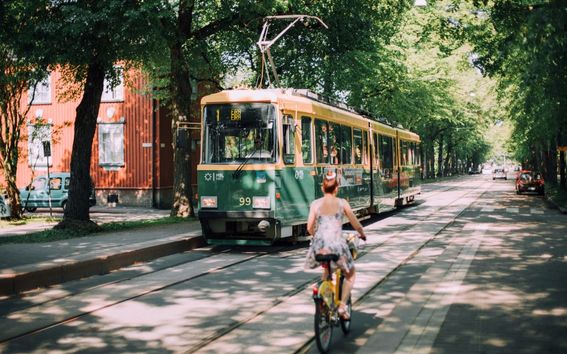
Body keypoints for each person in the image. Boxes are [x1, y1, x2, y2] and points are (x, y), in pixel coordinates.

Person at [304, 170, 366, 319]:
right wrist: (362, 233)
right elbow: (355, 223)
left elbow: (309, 227)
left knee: (327, 269)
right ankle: (342, 307)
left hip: (319, 247)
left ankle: (324, 295)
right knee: (350, 274)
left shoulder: (315, 204)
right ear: (337, 188)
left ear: (322, 188)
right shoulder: (342, 203)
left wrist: (317, 236)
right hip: (336, 246)